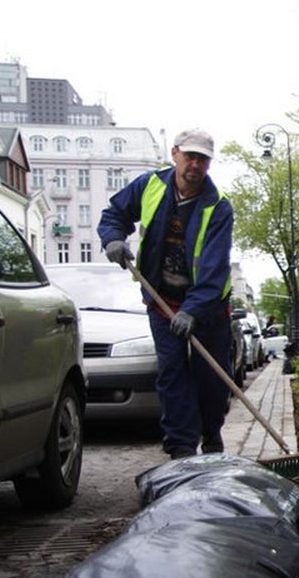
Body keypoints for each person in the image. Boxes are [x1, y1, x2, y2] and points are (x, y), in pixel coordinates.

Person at [98, 128, 235, 460]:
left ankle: (212, 433)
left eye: (203, 159)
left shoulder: (218, 207)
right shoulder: (150, 186)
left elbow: (214, 268)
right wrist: (113, 238)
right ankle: (181, 449)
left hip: (208, 309)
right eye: (190, 156)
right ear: (175, 153)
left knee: (211, 378)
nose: (195, 165)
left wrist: (194, 311)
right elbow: (114, 214)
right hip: (162, 301)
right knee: (172, 373)